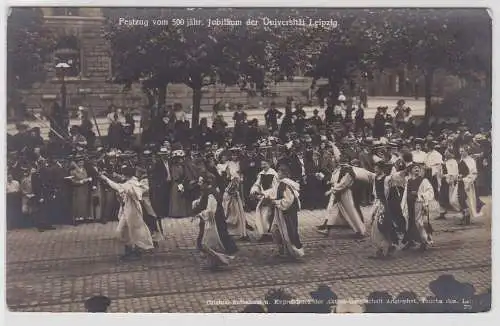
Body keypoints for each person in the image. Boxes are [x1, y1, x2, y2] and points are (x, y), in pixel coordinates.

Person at [99, 165, 154, 260]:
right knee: (124, 231)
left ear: (126, 175)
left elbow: (117, 186)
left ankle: (134, 251)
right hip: (127, 210)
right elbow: (121, 182)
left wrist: (106, 179)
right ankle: (130, 250)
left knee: (131, 230)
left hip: (133, 211)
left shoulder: (131, 184)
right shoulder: (131, 181)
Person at [192, 174, 238, 270]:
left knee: (214, 240)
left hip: (215, 221)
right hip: (214, 220)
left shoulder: (211, 194)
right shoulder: (208, 191)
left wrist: (200, 214)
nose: (199, 184)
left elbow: (211, 210)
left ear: (206, 183)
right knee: (211, 241)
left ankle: (216, 262)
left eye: (201, 182)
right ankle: (213, 262)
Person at [317, 156, 369, 238]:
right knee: (333, 210)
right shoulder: (341, 170)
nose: (340, 164)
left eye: (342, 162)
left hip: (345, 194)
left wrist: (331, 190)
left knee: (351, 212)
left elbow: (343, 184)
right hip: (339, 193)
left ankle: (360, 231)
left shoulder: (348, 172)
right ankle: (327, 230)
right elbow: (335, 180)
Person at [270, 161, 304, 258]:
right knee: (276, 229)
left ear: (284, 174)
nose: (278, 174)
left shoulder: (284, 184)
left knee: (288, 230)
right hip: (284, 210)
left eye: (279, 172)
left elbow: (288, 200)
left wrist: (276, 202)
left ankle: (293, 251)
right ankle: (283, 249)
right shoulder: (283, 183)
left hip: (286, 211)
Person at [401, 158, 435, 251]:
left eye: (418, 168)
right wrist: (403, 204)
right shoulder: (408, 181)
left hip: (419, 204)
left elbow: (430, 192)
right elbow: (405, 193)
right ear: (411, 170)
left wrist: (419, 195)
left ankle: (424, 242)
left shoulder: (424, 181)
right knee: (409, 222)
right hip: (409, 204)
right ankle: (410, 240)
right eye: (414, 168)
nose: (417, 169)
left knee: (419, 223)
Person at [370, 161, 399, 258]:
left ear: (381, 168)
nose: (375, 169)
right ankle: (381, 248)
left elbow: (389, 192)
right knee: (375, 225)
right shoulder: (375, 178)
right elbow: (374, 190)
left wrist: (386, 204)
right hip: (377, 202)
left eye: (377, 168)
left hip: (384, 204)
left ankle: (385, 247)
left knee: (382, 225)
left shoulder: (387, 179)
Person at [249, 159, 279, 241]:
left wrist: (267, 194)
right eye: (262, 164)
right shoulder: (261, 174)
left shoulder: (273, 174)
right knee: (262, 214)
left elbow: (275, 187)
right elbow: (257, 184)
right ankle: (264, 233)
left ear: (269, 164)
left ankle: (270, 233)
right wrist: (254, 190)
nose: (263, 166)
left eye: (265, 164)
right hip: (263, 197)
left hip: (270, 197)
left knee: (268, 215)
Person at [456, 145, 482, 225]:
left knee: (466, 198)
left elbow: (474, 173)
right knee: (459, 198)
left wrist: (467, 180)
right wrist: (458, 176)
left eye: (462, 151)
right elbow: (460, 170)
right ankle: (465, 214)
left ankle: (467, 216)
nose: (461, 153)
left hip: (468, 182)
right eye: (460, 151)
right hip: (460, 181)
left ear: (467, 151)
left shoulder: (471, 161)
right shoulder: (461, 160)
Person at [438, 149, 461, 220]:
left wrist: (450, 179)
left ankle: (463, 212)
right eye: (445, 152)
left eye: (446, 153)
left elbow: (454, 172)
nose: (445, 154)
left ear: (451, 154)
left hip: (449, 180)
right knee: (441, 196)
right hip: (444, 180)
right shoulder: (445, 161)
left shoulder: (453, 162)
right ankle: (442, 213)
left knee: (452, 198)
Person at [69, 156, 92, 224]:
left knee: (84, 203)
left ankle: (84, 217)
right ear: (77, 163)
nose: (82, 164)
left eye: (82, 162)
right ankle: (77, 219)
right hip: (78, 189)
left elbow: (85, 176)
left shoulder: (84, 169)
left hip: (85, 188)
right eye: (80, 162)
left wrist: (86, 180)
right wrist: (80, 182)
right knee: (78, 204)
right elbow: (72, 181)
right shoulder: (73, 171)